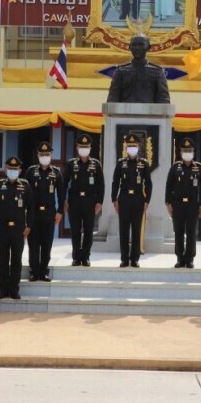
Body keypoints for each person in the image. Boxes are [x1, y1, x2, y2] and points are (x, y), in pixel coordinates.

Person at [0, 156, 32, 299]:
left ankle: (14, 290)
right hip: (2, 229)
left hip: (18, 229)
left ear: (20, 170)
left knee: (16, 260)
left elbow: (30, 207)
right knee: (3, 260)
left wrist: (29, 225)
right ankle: (3, 290)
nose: (13, 171)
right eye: (10, 168)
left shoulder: (25, 185)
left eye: (15, 169)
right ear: (5, 170)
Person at [24, 142, 64, 282]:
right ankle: (34, 271)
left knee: (47, 243)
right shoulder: (31, 171)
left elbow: (61, 194)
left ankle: (44, 271)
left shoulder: (56, 172)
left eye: (47, 154)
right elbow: (24, 193)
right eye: (42, 154)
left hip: (49, 212)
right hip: (33, 213)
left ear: (51, 155)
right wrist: (25, 212)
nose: (44, 157)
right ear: (38, 155)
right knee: (33, 243)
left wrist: (60, 211)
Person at [165, 137, 201, 269]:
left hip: (193, 205)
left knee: (191, 232)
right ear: (181, 152)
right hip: (177, 205)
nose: (187, 153)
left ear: (193, 152)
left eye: (189, 150)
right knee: (178, 231)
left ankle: (189, 259)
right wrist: (168, 203)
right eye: (185, 150)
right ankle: (179, 258)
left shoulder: (199, 168)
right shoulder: (175, 167)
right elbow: (169, 186)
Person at [111, 133, 151, 267]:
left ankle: (135, 259)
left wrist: (147, 201)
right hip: (124, 199)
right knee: (123, 230)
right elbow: (115, 182)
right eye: (130, 146)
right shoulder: (121, 163)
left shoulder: (143, 164)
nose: (132, 148)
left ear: (138, 147)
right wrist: (114, 199)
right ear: (126, 148)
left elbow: (148, 183)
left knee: (136, 230)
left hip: (138, 199)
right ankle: (124, 258)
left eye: (134, 146)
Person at [64, 133, 104, 267]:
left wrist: (99, 202)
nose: (84, 149)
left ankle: (86, 257)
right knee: (75, 230)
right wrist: (64, 201)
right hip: (74, 201)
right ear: (77, 147)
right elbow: (64, 183)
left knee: (88, 230)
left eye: (86, 147)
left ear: (90, 148)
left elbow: (100, 185)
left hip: (89, 201)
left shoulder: (96, 164)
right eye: (81, 147)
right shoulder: (71, 164)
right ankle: (76, 257)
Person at [107, 33, 171, 104]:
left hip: (149, 111)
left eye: (141, 44)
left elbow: (163, 97)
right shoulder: (120, 71)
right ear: (130, 47)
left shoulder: (157, 71)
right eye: (134, 45)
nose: (137, 48)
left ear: (148, 47)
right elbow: (113, 96)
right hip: (125, 111)